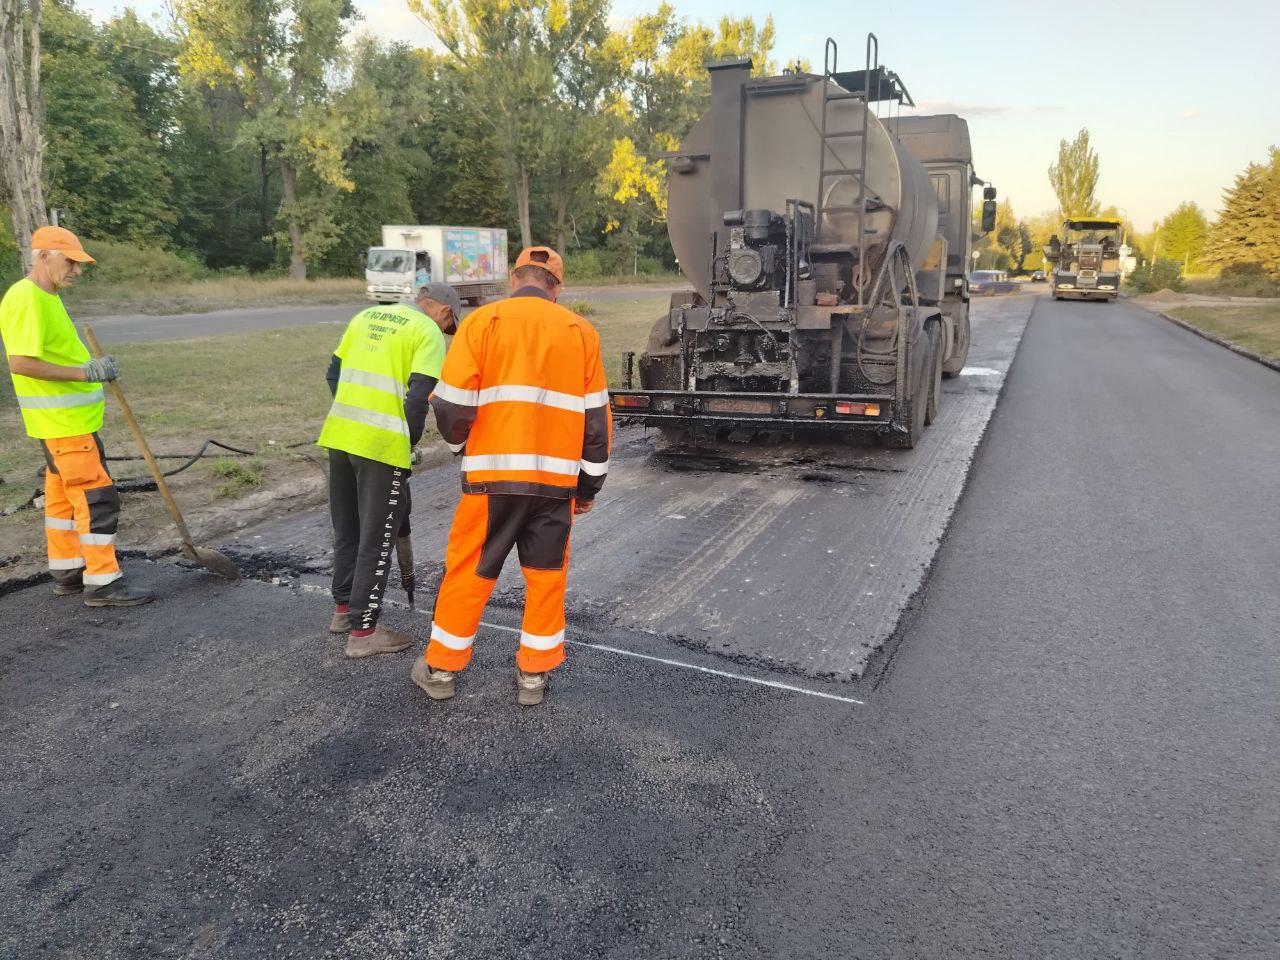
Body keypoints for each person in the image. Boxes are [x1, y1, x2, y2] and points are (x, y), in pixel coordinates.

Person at [410, 246, 611, 706]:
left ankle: (441, 670)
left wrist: (462, 446)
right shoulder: (580, 331)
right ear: (556, 287)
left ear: (514, 279)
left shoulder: (483, 323)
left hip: (491, 483)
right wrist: (587, 486)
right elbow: (597, 421)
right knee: (546, 576)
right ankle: (533, 678)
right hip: (555, 487)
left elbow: (449, 405)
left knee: (470, 572)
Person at [0, 227, 153, 606]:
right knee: (95, 497)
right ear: (44, 256)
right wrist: (85, 373)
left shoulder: (47, 296)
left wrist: (93, 366)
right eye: (71, 261)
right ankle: (103, 582)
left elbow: (58, 354)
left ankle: (69, 571)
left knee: (63, 500)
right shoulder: (27, 297)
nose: (77, 271)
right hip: (64, 425)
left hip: (66, 423)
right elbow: (20, 362)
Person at [319, 282, 459, 657]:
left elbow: (333, 373)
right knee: (377, 536)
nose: (446, 331)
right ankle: (363, 634)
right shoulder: (426, 331)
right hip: (380, 447)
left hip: (341, 434)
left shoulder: (366, 316)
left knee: (347, 528)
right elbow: (419, 397)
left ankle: (343, 611)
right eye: (449, 323)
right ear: (443, 311)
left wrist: (355, 409)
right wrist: (407, 445)